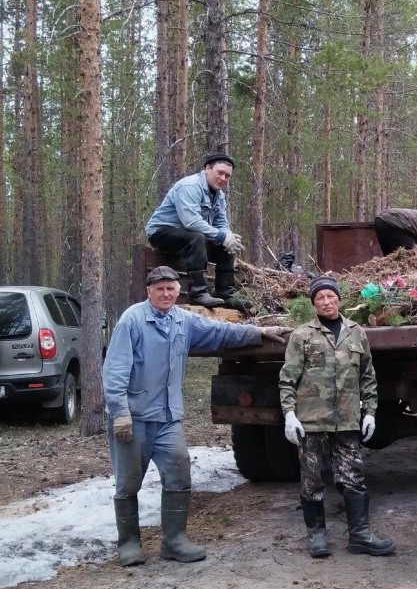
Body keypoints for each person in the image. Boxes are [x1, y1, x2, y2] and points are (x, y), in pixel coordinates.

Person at [102, 265, 291, 567]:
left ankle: (174, 541)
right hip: (133, 417)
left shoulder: (183, 320)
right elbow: (115, 369)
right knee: (128, 482)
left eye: (171, 288)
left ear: (178, 292)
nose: (166, 293)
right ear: (149, 291)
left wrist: (259, 331)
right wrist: (119, 412)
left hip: (168, 418)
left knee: (178, 471)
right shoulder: (132, 320)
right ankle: (129, 543)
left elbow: (220, 332)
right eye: (159, 288)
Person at [279, 275, 395, 559]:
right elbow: (287, 378)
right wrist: (289, 414)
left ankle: (360, 535)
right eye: (320, 298)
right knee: (312, 479)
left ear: (339, 300)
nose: (326, 301)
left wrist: (370, 413)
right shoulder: (302, 335)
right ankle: (317, 536)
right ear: (313, 304)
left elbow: (367, 376)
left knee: (353, 476)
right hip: (312, 421)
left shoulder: (356, 332)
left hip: (347, 420)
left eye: (330, 296)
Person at [145, 152, 251, 311]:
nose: (223, 178)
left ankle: (226, 294)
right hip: (161, 232)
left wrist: (228, 238)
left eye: (227, 176)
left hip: (189, 236)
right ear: (208, 169)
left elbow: (221, 222)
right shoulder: (189, 186)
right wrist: (221, 236)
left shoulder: (219, 195)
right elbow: (191, 221)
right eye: (220, 173)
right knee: (197, 237)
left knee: (225, 246)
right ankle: (199, 293)